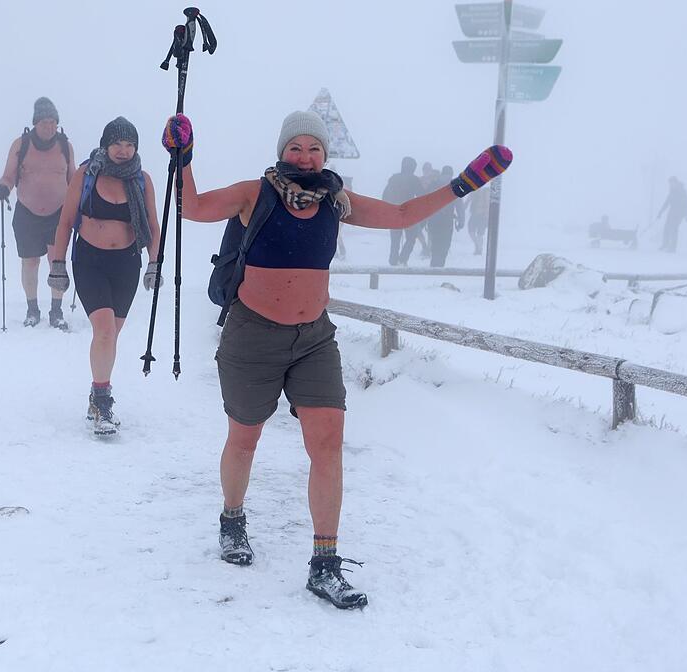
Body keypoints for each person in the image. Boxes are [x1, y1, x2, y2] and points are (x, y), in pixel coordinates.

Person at [161, 110, 512, 609]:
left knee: (327, 444)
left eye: (315, 149)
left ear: (326, 155)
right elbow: (191, 207)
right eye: (297, 147)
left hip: (314, 340)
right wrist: (183, 156)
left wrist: (462, 185)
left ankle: (324, 565)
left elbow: (402, 214)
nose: (306, 156)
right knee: (245, 438)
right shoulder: (252, 193)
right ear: (282, 150)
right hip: (252, 336)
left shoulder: (336, 202)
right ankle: (232, 520)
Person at [47, 117, 162, 435]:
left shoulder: (141, 180)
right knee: (106, 332)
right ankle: (102, 400)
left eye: (129, 145)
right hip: (90, 261)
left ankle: (97, 391)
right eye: (117, 144)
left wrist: (154, 263)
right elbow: (66, 220)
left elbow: (153, 226)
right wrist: (58, 264)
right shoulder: (87, 174)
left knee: (111, 334)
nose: (123, 151)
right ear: (105, 145)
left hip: (126, 263)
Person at [0, 97, 76, 329]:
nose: (49, 126)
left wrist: (81, 201)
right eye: (44, 122)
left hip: (58, 214)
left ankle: (56, 311)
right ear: (35, 123)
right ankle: (32, 309)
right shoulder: (20, 145)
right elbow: (9, 175)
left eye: (53, 122)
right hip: (27, 213)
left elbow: (73, 179)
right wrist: (3, 187)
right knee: (30, 262)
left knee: (56, 262)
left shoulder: (65, 146)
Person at [382, 157, 424, 265]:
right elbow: (421, 196)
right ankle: (403, 259)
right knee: (411, 237)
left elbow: (385, 195)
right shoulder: (414, 180)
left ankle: (393, 261)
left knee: (395, 239)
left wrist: (387, 209)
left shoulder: (393, 179)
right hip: (409, 212)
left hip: (394, 212)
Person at [426, 165, 466, 267]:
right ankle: (439, 265)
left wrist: (424, 219)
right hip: (447, 221)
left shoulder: (433, 185)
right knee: (445, 245)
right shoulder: (454, 186)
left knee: (435, 244)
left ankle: (434, 266)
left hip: (434, 220)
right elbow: (459, 205)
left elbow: (426, 202)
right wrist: (461, 221)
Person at [657, 176, 687, 253]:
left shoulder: (682, 191)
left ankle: (672, 248)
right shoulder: (672, 191)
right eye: (670, 183)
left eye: (672, 183)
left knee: (674, 229)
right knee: (666, 228)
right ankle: (665, 244)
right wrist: (660, 212)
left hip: (679, 214)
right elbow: (667, 202)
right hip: (671, 212)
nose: (670, 185)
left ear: (675, 182)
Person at [467, 186, 490, 255]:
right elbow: (468, 201)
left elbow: (489, 205)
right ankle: (478, 246)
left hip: (483, 216)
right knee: (471, 231)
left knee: (479, 234)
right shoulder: (473, 192)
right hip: (475, 215)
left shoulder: (485, 192)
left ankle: (479, 249)